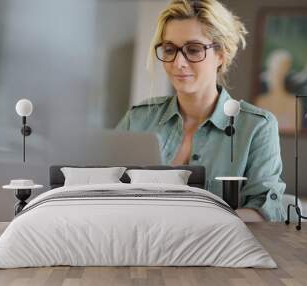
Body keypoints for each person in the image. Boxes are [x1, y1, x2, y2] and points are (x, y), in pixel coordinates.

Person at [116, 0, 286, 222]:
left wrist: (198, 223)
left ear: (221, 54)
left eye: (193, 50)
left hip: (217, 253)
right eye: (169, 49)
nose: (178, 63)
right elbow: (103, 188)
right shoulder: (139, 118)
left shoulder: (257, 127)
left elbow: (266, 211)